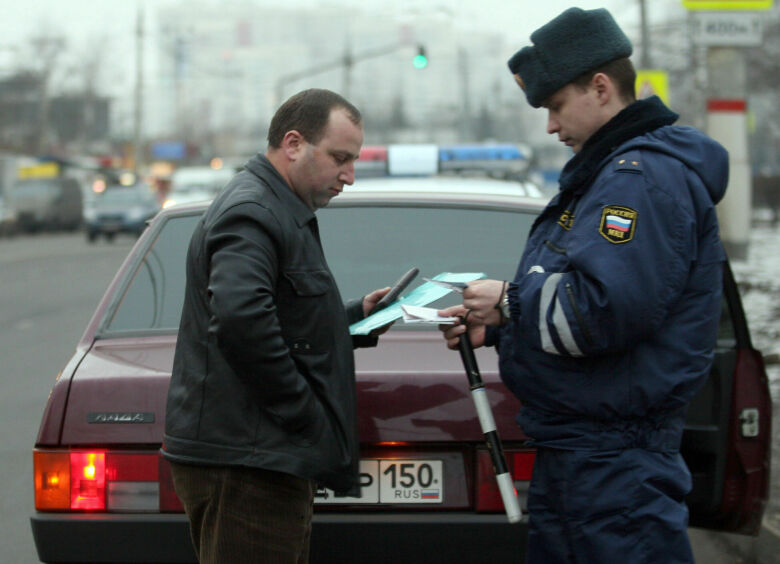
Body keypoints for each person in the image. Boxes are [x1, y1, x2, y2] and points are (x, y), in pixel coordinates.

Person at [439, 8, 728, 564]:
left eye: (554, 105)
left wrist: (510, 302)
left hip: (614, 470)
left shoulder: (638, 181)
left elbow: (604, 310)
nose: (550, 125)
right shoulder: (610, 175)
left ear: (599, 88)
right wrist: (502, 326)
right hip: (586, 460)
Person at [162, 88, 391, 563]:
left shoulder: (277, 208)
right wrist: (303, 414)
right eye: (340, 158)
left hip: (255, 459)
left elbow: (282, 317)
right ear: (293, 144)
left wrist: (354, 317)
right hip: (246, 466)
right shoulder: (255, 213)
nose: (349, 176)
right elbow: (242, 320)